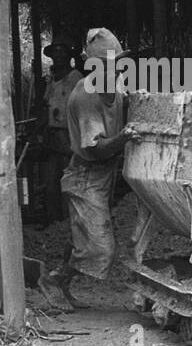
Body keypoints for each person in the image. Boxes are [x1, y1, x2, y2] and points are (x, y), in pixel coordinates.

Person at [39, 27, 137, 309]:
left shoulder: (115, 84)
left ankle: (62, 283)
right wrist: (125, 137)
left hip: (103, 174)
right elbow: (96, 147)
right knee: (101, 249)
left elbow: (123, 101)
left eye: (118, 63)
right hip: (85, 175)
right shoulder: (85, 96)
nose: (116, 69)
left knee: (85, 237)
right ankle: (54, 280)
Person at [39, 40, 82, 222]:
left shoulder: (76, 79)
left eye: (61, 53)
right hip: (53, 133)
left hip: (69, 134)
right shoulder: (50, 80)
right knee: (51, 181)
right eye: (54, 54)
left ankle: (69, 220)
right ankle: (53, 221)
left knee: (68, 177)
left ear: (68, 57)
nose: (57, 57)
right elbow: (45, 105)